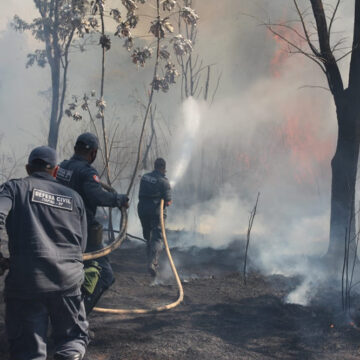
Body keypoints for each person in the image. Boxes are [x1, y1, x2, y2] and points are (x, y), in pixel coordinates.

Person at [0, 146, 89, 360]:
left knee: (28, 349)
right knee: (72, 341)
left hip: (28, 283)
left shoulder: (14, 188)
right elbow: (81, 246)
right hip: (68, 282)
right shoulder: (75, 198)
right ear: (56, 171)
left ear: (28, 167)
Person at [56, 132, 128, 314]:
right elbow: (97, 195)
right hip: (82, 232)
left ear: (75, 148)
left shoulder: (63, 167)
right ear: (94, 153)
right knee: (105, 275)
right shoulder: (87, 172)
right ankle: (75, 319)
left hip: (59, 229)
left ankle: (64, 312)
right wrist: (118, 199)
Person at [138, 158, 172, 277]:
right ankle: (152, 263)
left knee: (147, 235)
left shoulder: (145, 177)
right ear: (163, 168)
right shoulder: (164, 182)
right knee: (158, 238)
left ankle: (149, 257)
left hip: (142, 210)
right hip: (155, 212)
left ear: (154, 165)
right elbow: (168, 202)